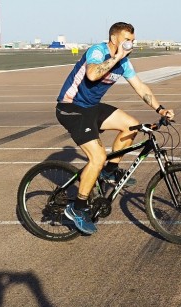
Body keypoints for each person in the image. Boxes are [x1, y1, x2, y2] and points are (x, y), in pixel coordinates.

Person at [55, 22, 174, 235]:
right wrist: (116, 57)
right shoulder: (98, 51)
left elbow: (140, 87)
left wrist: (160, 109)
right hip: (71, 107)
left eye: (133, 40)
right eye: (128, 39)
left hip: (91, 108)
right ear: (114, 38)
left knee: (131, 125)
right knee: (97, 157)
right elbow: (92, 75)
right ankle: (77, 207)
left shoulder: (124, 63)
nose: (131, 43)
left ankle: (110, 172)